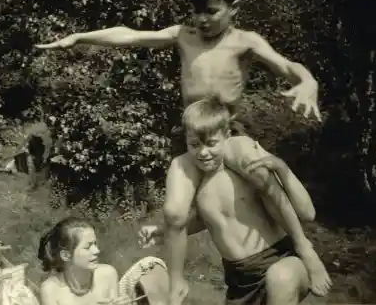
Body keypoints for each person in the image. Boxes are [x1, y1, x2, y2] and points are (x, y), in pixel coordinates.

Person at [34, 0, 322, 304]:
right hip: (192, 135)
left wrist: (308, 82)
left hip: (228, 132)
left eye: (211, 12)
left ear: (234, 9)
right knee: (173, 213)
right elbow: (130, 35)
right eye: (196, 11)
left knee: (262, 174)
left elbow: (288, 66)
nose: (202, 20)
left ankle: (305, 249)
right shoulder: (184, 35)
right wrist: (81, 38)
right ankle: (176, 280)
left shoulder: (245, 41)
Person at [137, 97, 332, 305]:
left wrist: (306, 251)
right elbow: (210, 220)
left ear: (226, 136)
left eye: (211, 144)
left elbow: (298, 208)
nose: (203, 153)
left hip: (281, 259)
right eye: (194, 145)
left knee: (280, 278)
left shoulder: (240, 160)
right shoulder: (197, 181)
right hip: (240, 282)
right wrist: (162, 231)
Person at [37, 216, 168, 305]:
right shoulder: (51, 290)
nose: (96, 251)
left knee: (152, 264)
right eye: (88, 247)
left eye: (95, 244)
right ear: (66, 255)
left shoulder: (107, 274)